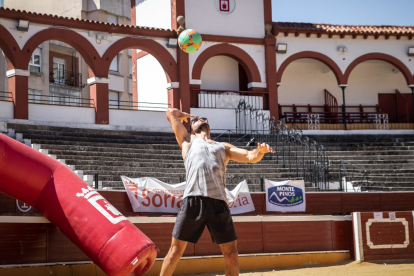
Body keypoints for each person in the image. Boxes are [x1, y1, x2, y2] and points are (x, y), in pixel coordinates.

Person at [160, 108, 274, 276]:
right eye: (195, 119)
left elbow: (250, 156)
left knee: (232, 254)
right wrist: (182, 116)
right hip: (193, 200)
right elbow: (170, 112)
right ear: (191, 127)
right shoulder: (187, 140)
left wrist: (261, 151)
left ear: (209, 128)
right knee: (175, 251)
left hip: (218, 203)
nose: (199, 119)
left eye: (202, 118)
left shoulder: (223, 147)